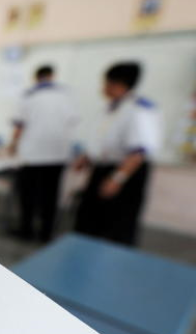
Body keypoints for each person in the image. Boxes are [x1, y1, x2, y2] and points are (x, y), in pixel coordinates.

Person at [74, 62, 161, 245]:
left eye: (106, 83)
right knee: (88, 222)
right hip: (103, 169)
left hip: (126, 173)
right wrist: (87, 157)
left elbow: (139, 152)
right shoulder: (111, 108)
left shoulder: (139, 109)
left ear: (118, 84)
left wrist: (117, 178)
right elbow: (103, 139)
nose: (102, 88)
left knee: (118, 226)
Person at [9, 65, 79, 241]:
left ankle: (26, 229)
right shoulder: (66, 94)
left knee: (28, 194)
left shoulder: (29, 95)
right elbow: (72, 121)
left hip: (32, 155)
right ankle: (46, 233)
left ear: (36, 77)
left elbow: (19, 125)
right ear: (52, 76)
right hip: (58, 154)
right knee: (50, 195)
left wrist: (13, 145)